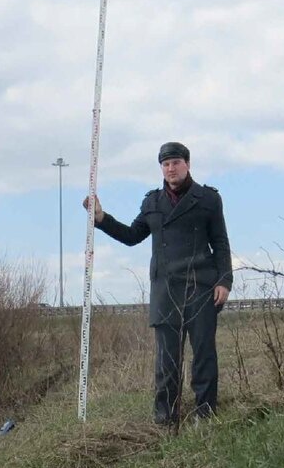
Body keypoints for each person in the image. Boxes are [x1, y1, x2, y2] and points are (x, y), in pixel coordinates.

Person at [83, 141, 232, 425]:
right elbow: (130, 236)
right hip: (165, 291)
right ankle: (166, 420)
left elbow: (221, 243)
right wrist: (101, 219)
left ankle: (206, 415)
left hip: (201, 288)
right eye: (165, 164)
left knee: (203, 355)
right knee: (167, 362)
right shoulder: (152, 203)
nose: (171, 168)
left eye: (176, 162)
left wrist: (225, 280)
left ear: (187, 164)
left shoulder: (208, 199)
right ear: (161, 169)